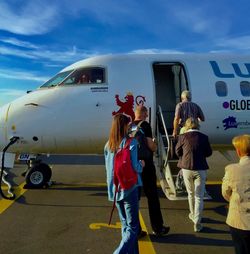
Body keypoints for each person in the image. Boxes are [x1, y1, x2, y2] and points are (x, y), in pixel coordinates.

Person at [104, 113, 144, 254]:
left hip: (115, 189)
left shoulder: (108, 145)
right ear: (125, 125)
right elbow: (135, 167)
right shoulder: (131, 142)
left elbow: (108, 169)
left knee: (125, 225)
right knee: (133, 227)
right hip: (129, 188)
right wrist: (142, 164)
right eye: (129, 123)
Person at [133, 105, 170, 236]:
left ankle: (135, 230)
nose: (147, 116)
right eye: (146, 114)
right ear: (142, 113)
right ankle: (158, 227)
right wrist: (154, 144)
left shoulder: (129, 126)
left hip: (133, 166)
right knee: (152, 197)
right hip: (146, 165)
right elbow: (151, 146)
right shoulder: (145, 125)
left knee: (134, 199)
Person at [175, 117, 212, 232]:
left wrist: (184, 156)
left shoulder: (182, 137)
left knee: (190, 193)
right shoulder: (204, 137)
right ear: (197, 125)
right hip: (200, 168)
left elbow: (177, 151)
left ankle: (192, 214)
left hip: (186, 168)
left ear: (186, 126)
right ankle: (197, 221)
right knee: (199, 197)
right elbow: (209, 152)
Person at [222, 135, 250, 254]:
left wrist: (234, 200)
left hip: (239, 220)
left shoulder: (231, 169)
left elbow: (225, 193)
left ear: (238, 151)